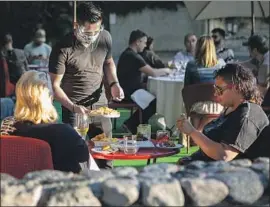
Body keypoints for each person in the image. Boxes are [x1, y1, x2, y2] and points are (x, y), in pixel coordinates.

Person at [49, 2, 124, 169]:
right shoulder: (62, 48)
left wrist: (114, 83)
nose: (92, 37)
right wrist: (73, 107)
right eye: (88, 33)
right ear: (76, 25)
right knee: (77, 160)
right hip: (73, 107)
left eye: (96, 32)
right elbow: (55, 87)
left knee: (106, 156)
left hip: (100, 105)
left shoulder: (105, 38)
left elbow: (109, 63)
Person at [177, 63, 269, 164]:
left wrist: (192, 132)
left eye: (219, 89)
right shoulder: (229, 109)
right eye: (215, 89)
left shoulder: (247, 114)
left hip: (229, 175)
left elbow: (224, 155)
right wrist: (190, 159)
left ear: (236, 88)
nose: (215, 93)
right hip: (208, 169)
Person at [0, 71, 90, 173]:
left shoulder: (7, 126)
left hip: (16, 186)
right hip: (56, 186)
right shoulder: (64, 132)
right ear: (49, 98)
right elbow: (83, 156)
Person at [117, 29, 171, 133]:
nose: (145, 45)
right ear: (138, 42)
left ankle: (134, 125)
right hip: (128, 92)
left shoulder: (127, 53)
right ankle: (131, 125)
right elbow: (153, 73)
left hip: (127, 89)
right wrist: (167, 70)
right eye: (144, 42)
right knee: (154, 102)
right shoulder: (134, 56)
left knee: (152, 99)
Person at [184, 35, 225, 132]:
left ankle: (197, 132)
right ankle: (199, 133)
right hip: (218, 105)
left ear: (198, 48)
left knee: (195, 104)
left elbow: (186, 89)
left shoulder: (191, 65)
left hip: (197, 106)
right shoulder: (221, 64)